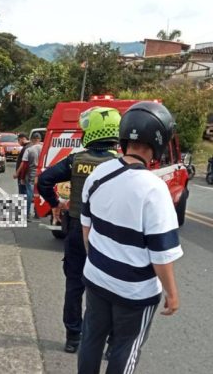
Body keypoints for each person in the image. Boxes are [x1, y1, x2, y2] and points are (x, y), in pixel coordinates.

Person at [78, 102, 183, 374]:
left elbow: (86, 229)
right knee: (127, 347)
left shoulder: (98, 175)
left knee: (91, 339)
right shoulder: (154, 189)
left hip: (97, 278)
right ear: (158, 142)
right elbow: (161, 256)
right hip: (134, 292)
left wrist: (100, 263)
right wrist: (172, 293)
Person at [37, 107, 121, 354]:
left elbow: (44, 180)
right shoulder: (120, 165)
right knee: (112, 288)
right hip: (110, 237)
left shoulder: (76, 161)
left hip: (76, 230)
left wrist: (55, 204)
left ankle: (74, 337)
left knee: (74, 285)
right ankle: (112, 342)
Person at [18, 132, 42, 219]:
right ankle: (38, 213)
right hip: (41, 174)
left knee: (29, 193)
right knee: (38, 193)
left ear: (32, 140)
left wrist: (22, 177)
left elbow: (24, 164)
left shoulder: (29, 150)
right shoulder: (44, 149)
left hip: (31, 173)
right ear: (39, 139)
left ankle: (27, 214)